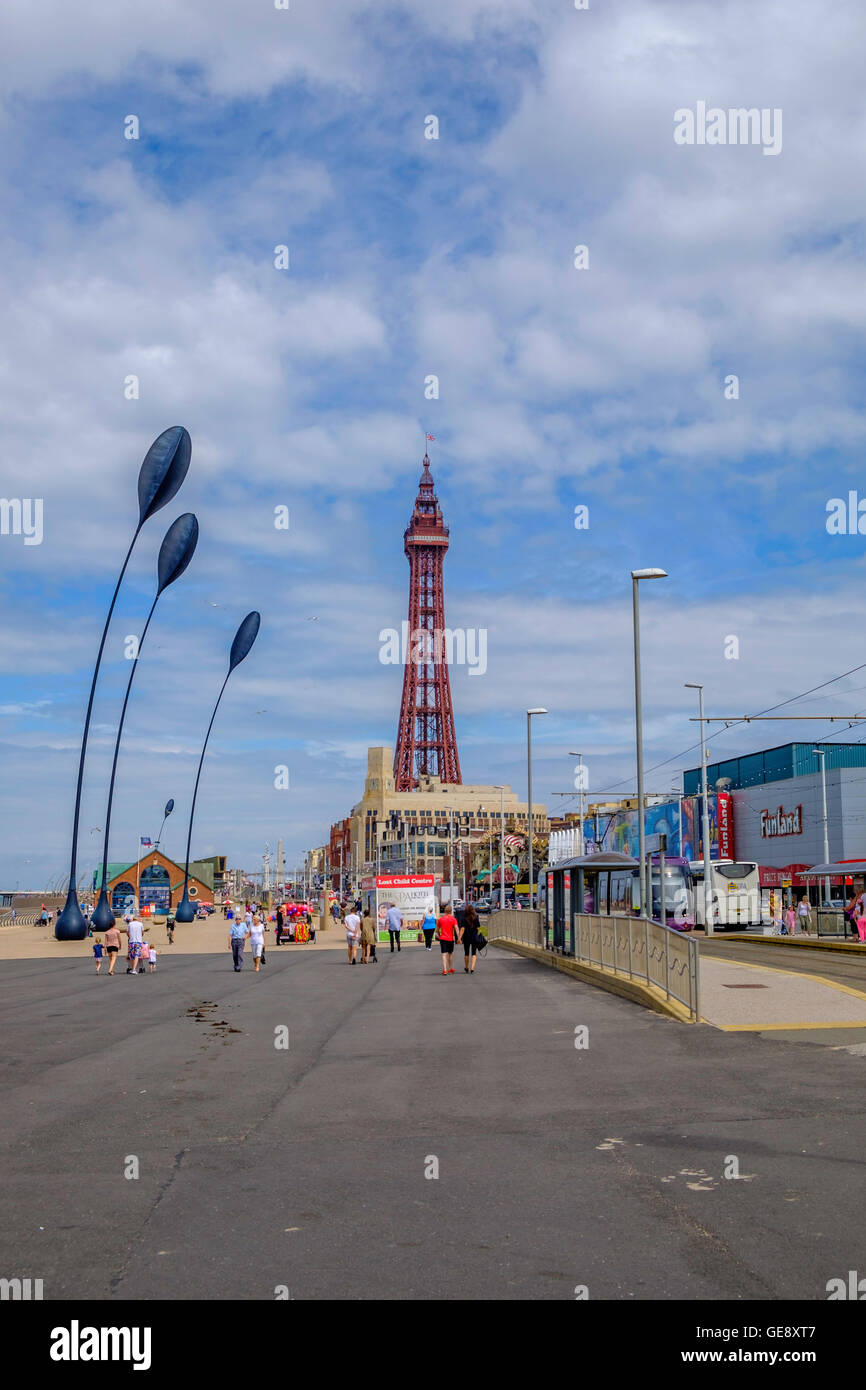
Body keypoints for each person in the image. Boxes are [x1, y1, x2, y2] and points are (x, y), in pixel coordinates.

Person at [436, 907, 458, 975]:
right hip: (450, 939)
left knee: (443, 954)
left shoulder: (440, 919)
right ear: (451, 911)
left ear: (445, 911)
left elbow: (437, 931)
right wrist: (459, 938)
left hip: (443, 939)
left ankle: (444, 970)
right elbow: (456, 929)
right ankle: (450, 968)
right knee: (450, 954)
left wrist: (439, 936)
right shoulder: (453, 919)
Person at [460, 902, 480, 973]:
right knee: (474, 953)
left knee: (466, 953)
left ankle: (466, 967)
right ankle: (472, 968)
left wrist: (459, 938)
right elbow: (478, 929)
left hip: (466, 937)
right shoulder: (476, 918)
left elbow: (462, 929)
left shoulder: (464, 919)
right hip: (474, 937)